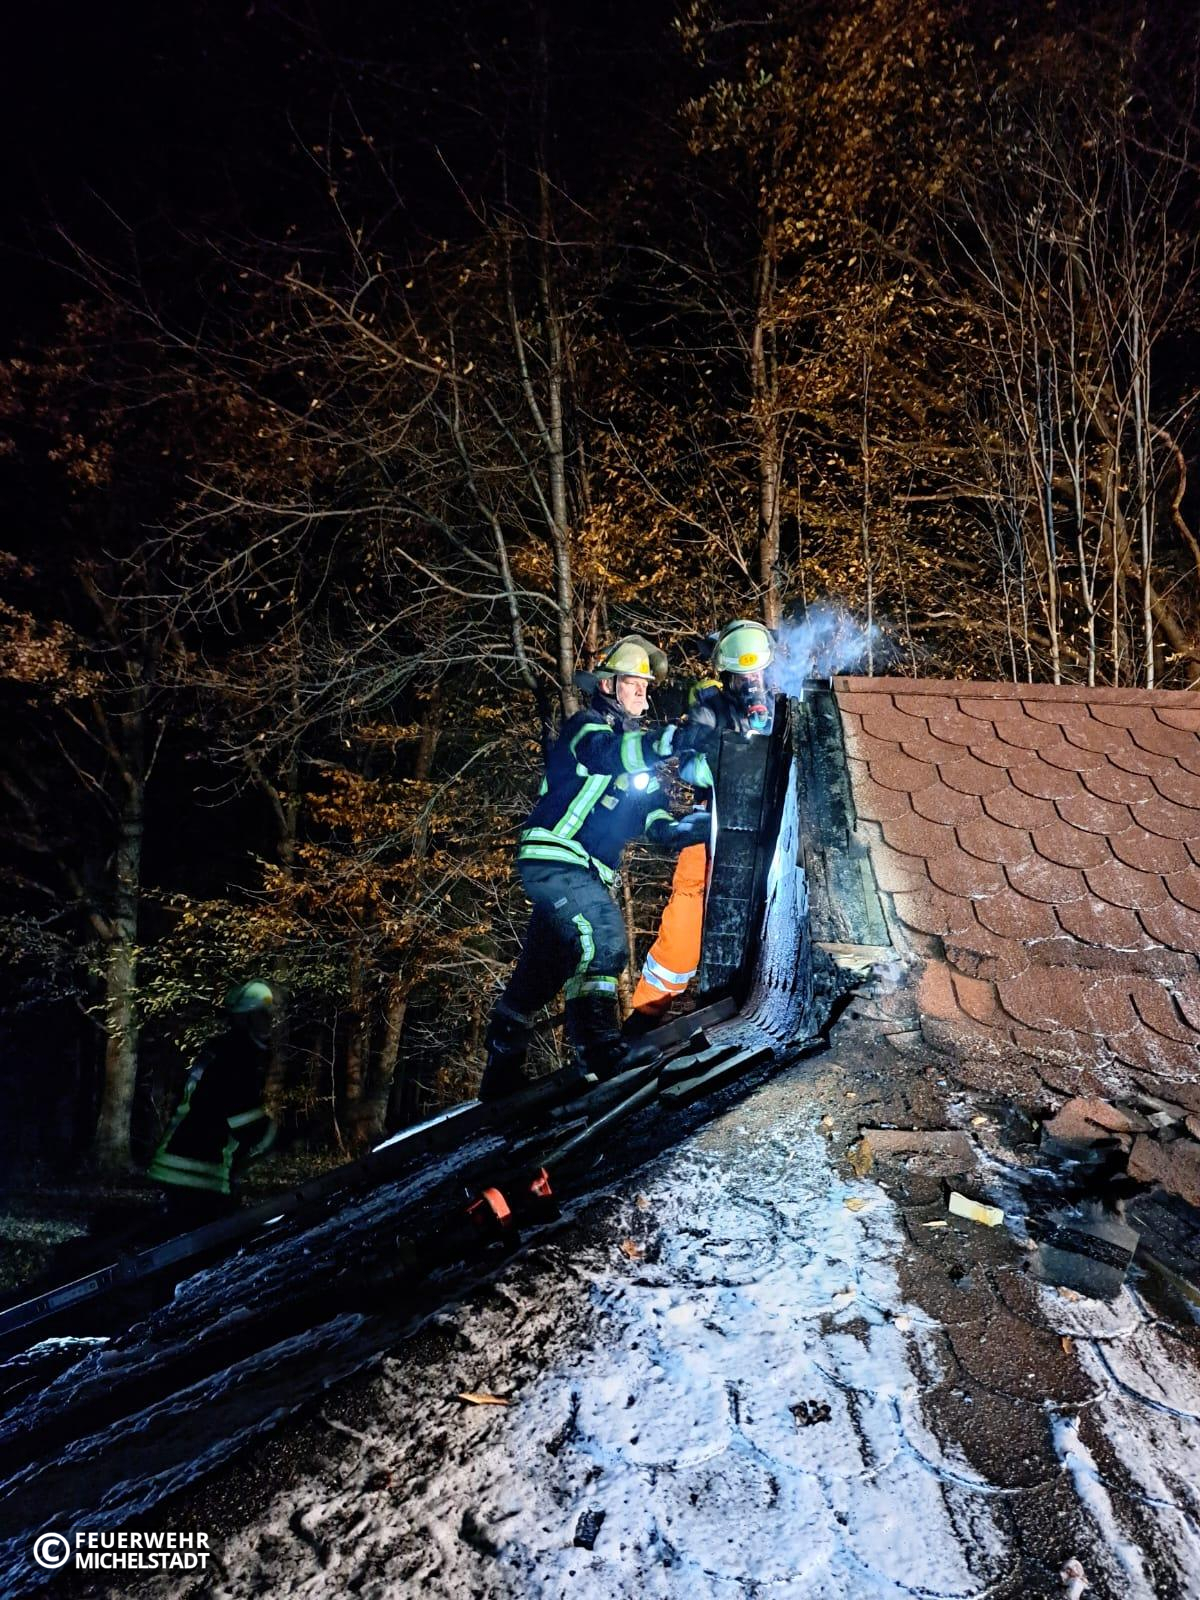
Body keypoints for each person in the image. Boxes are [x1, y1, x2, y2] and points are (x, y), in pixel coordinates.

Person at [479, 636, 720, 1099]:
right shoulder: (586, 729)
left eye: (646, 687)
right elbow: (608, 754)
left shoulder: (637, 761)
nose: (643, 694)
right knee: (605, 937)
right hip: (556, 854)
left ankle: (501, 1072)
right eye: (634, 684)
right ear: (608, 685)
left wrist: (689, 828)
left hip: (585, 871)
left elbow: (653, 819)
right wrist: (676, 739)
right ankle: (599, 1050)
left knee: (546, 967)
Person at [628, 619, 775, 1025]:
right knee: (685, 919)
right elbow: (691, 767)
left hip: (763, 828)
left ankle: (746, 1004)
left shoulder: (783, 708)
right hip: (709, 825)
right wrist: (721, 760)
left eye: (757, 674)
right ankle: (645, 1016)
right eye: (744, 676)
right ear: (727, 675)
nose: (752, 683)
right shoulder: (709, 709)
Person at [147, 981, 278, 1229]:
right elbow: (244, 1119)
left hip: (177, 1164)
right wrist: (279, 1134)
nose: (269, 1022)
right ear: (244, 1019)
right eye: (262, 1015)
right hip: (198, 1172)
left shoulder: (219, 1050)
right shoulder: (238, 1057)